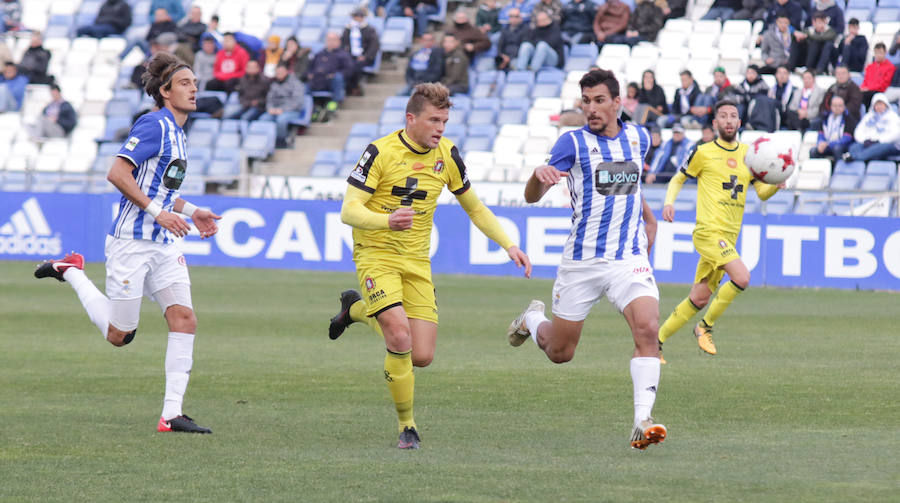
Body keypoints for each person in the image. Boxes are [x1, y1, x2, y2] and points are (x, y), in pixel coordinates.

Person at [328, 82, 532, 449]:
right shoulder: (379, 151)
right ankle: (407, 426)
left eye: (445, 120)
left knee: (421, 355)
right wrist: (386, 222)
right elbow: (349, 210)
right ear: (411, 119)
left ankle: (356, 310)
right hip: (376, 254)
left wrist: (509, 244)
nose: (441, 128)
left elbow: (475, 207)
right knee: (399, 335)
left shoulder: (448, 154)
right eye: (434, 120)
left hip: (417, 260)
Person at [33, 52, 221, 434]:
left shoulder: (180, 133)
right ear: (165, 91)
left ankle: (171, 414)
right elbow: (117, 173)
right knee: (120, 335)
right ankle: (71, 271)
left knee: (184, 318)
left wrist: (192, 209)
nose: (194, 89)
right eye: (185, 83)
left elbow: (162, 190)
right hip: (132, 243)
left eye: (194, 83)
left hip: (164, 243)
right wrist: (157, 212)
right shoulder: (153, 124)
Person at [506, 69, 666, 451]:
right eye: (586, 101)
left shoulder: (639, 137)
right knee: (561, 353)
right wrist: (537, 176)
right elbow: (532, 197)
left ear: (618, 103)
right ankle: (532, 317)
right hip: (582, 262)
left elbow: (629, 183)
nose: (590, 109)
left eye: (598, 101)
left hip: (628, 258)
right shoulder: (573, 143)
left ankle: (642, 420)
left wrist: (647, 217)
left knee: (648, 329)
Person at [658, 100, 781, 359]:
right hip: (708, 233)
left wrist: (778, 180)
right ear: (715, 123)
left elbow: (762, 193)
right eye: (723, 116)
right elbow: (678, 178)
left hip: (728, 238)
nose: (728, 120)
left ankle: (655, 343)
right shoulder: (702, 152)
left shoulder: (750, 156)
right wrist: (669, 202)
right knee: (742, 277)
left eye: (733, 116)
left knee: (699, 298)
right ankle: (705, 327)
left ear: (739, 123)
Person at [259, 62, 306, 148]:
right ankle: (265, 143)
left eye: (281, 72)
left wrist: (282, 110)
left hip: (292, 111)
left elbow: (297, 101)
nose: (279, 75)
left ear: (287, 72)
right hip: (275, 110)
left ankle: (281, 141)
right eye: (277, 73)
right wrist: (270, 108)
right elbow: (269, 99)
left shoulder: (296, 84)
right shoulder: (274, 84)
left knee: (281, 120)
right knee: (263, 119)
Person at [845, 93, 900, 162]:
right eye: (877, 104)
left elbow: (896, 134)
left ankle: (855, 158)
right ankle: (858, 157)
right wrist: (864, 140)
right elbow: (858, 131)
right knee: (854, 147)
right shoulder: (868, 116)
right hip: (867, 142)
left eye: (881, 104)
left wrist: (878, 141)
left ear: (886, 104)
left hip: (885, 143)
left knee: (880, 148)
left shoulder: (893, 117)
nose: (879, 106)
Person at [306, 32, 355, 106]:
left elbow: (349, 70)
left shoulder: (344, 55)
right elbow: (310, 67)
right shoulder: (319, 54)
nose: (331, 42)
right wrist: (310, 74)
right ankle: (309, 106)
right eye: (329, 40)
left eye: (333, 40)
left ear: (339, 41)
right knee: (304, 84)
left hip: (332, 81)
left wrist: (334, 75)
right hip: (318, 80)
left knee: (338, 77)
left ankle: (335, 103)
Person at [341, 8, 380, 95]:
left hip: (364, 57)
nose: (357, 18)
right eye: (356, 16)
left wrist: (365, 56)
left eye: (360, 16)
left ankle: (354, 87)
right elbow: (343, 44)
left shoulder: (370, 29)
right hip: (349, 57)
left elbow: (374, 46)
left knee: (355, 66)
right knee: (346, 66)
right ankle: (351, 87)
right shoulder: (347, 29)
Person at [809, 95, 855, 160]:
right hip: (827, 144)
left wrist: (829, 144)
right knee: (813, 151)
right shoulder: (825, 118)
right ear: (831, 106)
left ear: (844, 107)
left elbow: (847, 139)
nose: (837, 108)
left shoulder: (848, 119)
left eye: (840, 106)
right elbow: (820, 134)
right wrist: (820, 143)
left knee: (837, 148)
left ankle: (838, 168)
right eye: (835, 106)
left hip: (842, 145)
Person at [859, 43, 896, 109]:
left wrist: (869, 89)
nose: (878, 55)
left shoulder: (890, 67)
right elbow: (865, 81)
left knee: (866, 96)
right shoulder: (870, 67)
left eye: (880, 53)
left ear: (885, 53)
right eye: (876, 53)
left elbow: (884, 84)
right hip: (868, 91)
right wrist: (862, 88)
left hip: (879, 91)